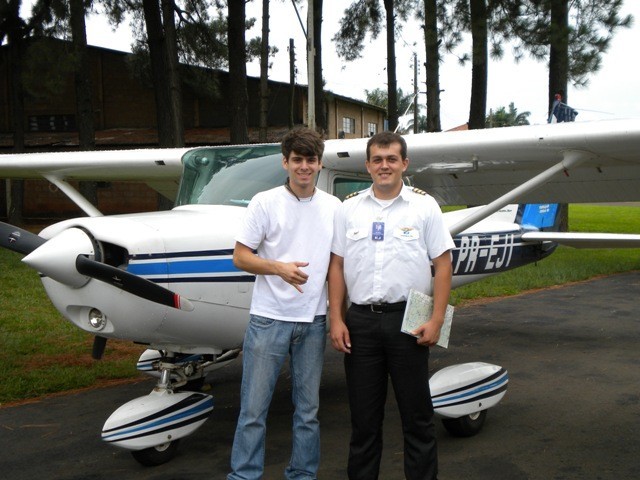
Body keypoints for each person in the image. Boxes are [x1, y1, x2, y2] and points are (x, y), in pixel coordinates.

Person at [328, 131, 455, 480]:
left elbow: (443, 265)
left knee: (417, 418)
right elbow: (336, 266)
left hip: (409, 320)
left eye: (392, 159)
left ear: (404, 164)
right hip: (361, 323)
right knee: (364, 422)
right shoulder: (348, 208)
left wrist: (437, 319)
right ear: (367, 165)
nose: (385, 166)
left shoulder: (424, 206)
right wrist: (336, 318)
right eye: (378, 160)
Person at [228, 127, 341, 480]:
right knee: (253, 411)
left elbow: (337, 267)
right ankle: (244, 475)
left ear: (320, 164)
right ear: (285, 163)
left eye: (310, 160)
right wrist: (277, 268)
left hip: (314, 321)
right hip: (268, 319)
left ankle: (303, 474)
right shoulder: (264, 202)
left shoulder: (335, 208)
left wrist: (337, 316)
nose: (303, 167)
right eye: (297, 160)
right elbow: (241, 257)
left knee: (307, 411)